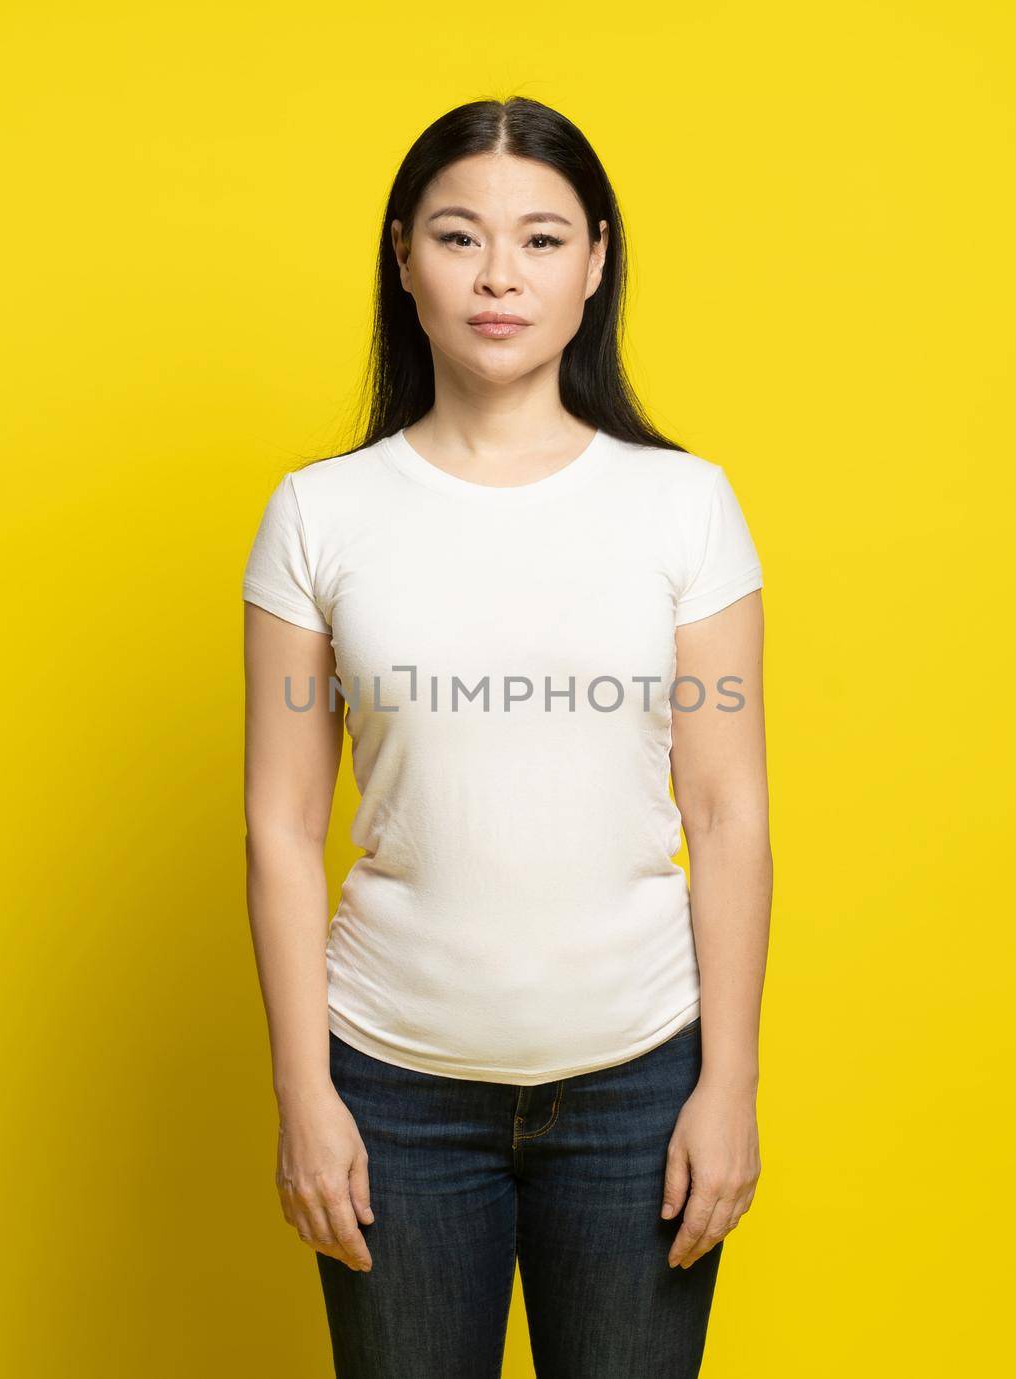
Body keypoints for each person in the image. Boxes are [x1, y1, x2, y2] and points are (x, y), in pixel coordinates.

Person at [241, 95, 772, 1379]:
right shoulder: (320, 514)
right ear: (401, 253)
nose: (496, 275)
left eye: (539, 240)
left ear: (595, 262)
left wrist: (728, 1082)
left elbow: (727, 811)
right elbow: (281, 823)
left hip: (640, 1083)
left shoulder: (682, 505)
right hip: (392, 1090)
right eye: (458, 235)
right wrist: (306, 1094)